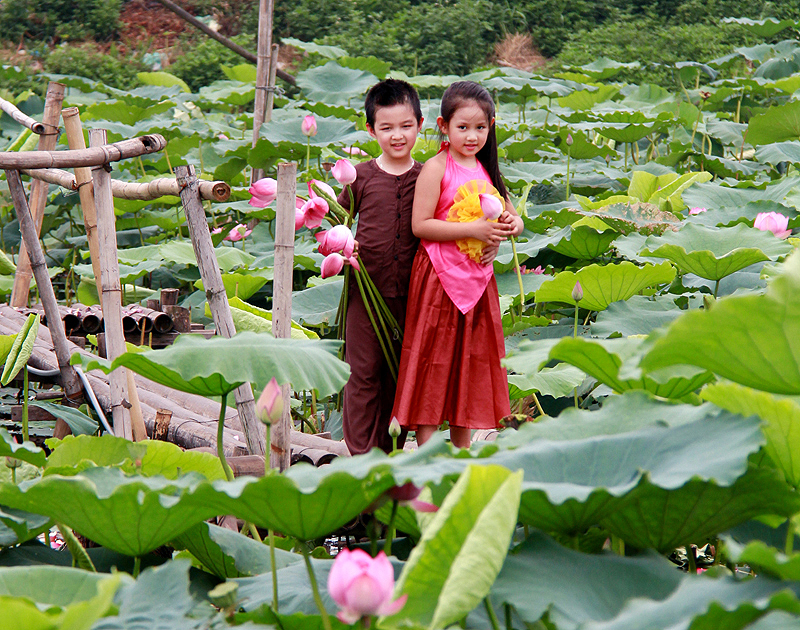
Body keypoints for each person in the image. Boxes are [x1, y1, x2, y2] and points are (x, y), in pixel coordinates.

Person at [390, 80, 524, 449]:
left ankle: (462, 453)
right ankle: (428, 452)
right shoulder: (436, 168)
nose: (472, 136)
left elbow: (514, 217)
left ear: (491, 127)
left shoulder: (486, 169)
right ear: (442, 126)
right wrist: (477, 229)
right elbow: (421, 225)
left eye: (480, 128)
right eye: (462, 127)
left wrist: (511, 226)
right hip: (438, 279)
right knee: (434, 364)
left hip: (478, 284)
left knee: (470, 364)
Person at [336, 78, 424, 455]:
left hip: (416, 293)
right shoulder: (359, 176)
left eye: (406, 126)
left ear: (420, 123)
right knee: (363, 374)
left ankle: (389, 457)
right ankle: (359, 460)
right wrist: (343, 244)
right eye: (387, 128)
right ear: (371, 129)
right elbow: (332, 225)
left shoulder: (429, 176)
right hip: (365, 292)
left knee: (399, 375)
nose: (398, 136)